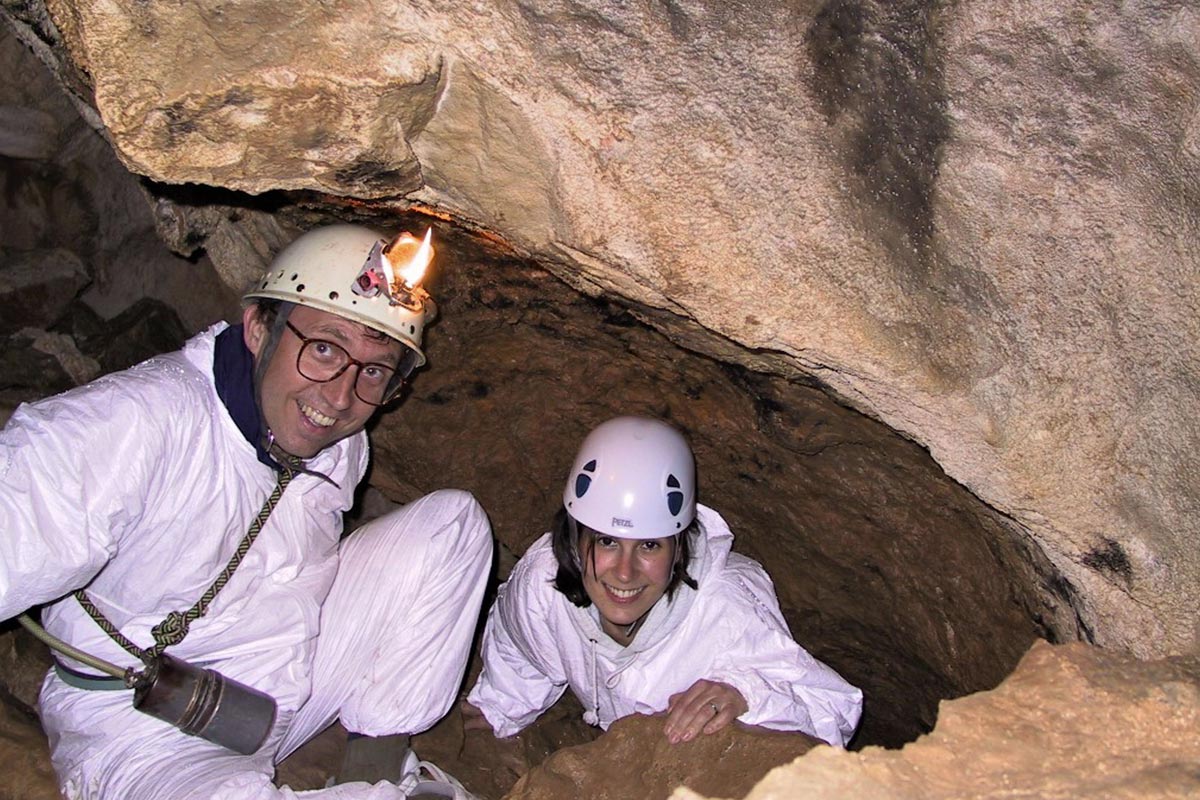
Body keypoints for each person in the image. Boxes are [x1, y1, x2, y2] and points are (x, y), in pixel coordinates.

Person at [0, 224, 493, 799]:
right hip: (146, 726)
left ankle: (375, 767)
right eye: (326, 349)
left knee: (453, 526)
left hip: (285, 675)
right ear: (259, 327)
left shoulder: (338, 438)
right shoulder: (129, 424)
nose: (339, 398)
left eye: (375, 370)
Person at [464, 416, 862, 748]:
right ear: (575, 537)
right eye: (606, 541)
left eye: (650, 546)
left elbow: (833, 709)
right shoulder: (543, 583)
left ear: (678, 547)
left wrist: (746, 692)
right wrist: (500, 704)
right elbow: (521, 644)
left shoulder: (727, 609)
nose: (624, 572)